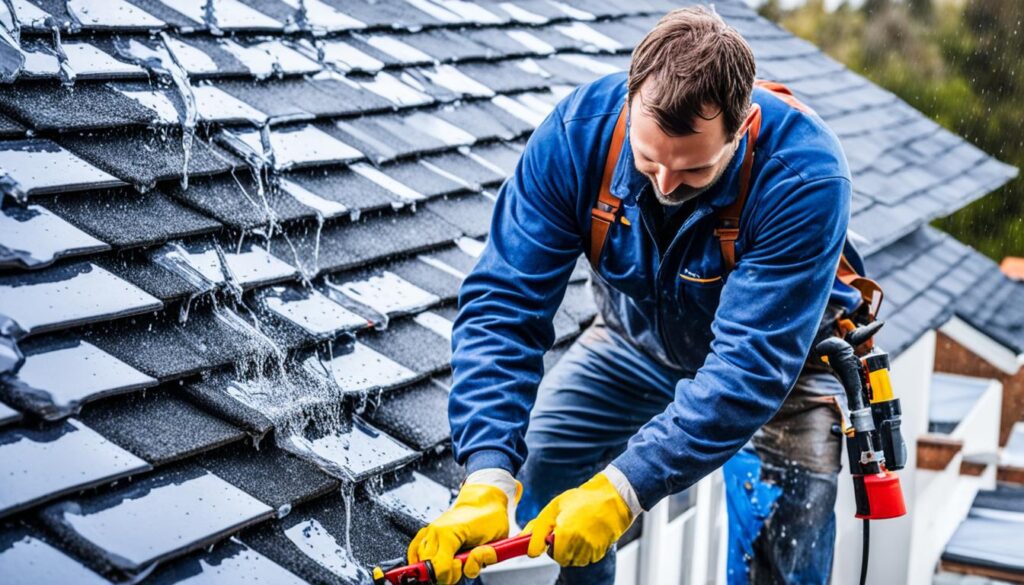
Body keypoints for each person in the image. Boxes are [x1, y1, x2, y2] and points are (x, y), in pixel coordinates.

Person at [408, 6, 870, 584]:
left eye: (695, 172)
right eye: (648, 160)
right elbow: (504, 304)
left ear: (742, 126)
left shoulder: (804, 177)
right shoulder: (577, 137)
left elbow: (747, 372)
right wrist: (486, 475)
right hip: (635, 341)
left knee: (778, 553)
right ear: (629, 105)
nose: (666, 185)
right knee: (544, 470)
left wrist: (623, 490)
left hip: (783, 377)